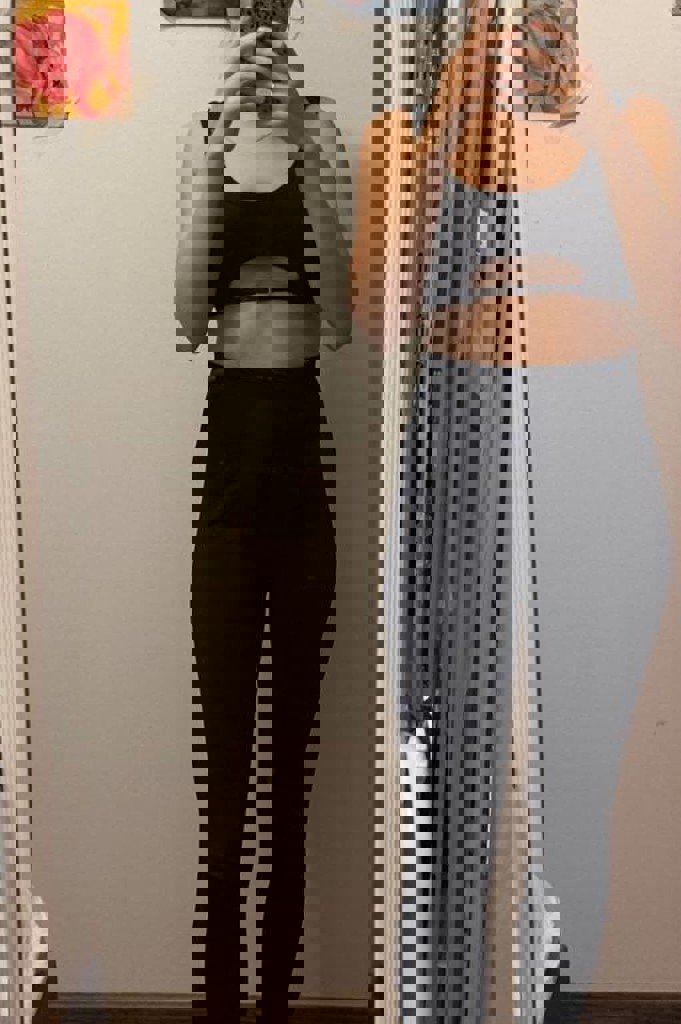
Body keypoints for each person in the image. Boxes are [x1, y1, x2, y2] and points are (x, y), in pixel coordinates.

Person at [173, 0, 351, 1020]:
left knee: (289, 778)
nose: (259, 35)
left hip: (302, 470)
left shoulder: (323, 132)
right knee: (225, 778)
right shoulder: (202, 136)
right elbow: (187, 314)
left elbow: (341, 313)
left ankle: (275, 1002)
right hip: (229, 471)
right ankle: (218, 1004)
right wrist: (220, 158)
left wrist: (300, 152)